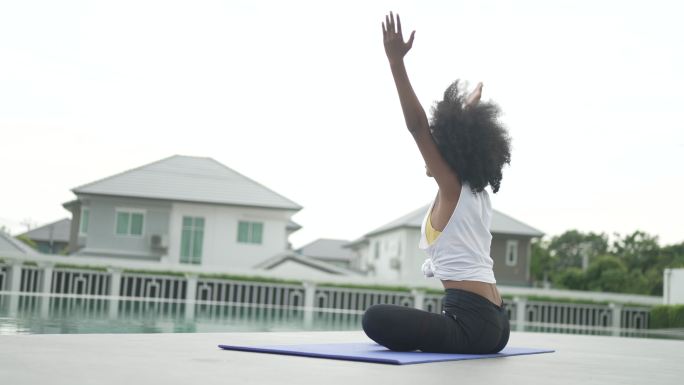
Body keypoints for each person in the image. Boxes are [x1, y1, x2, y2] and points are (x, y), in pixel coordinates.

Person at [362, 12, 512, 354]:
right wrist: (466, 110)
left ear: (450, 153)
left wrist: (396, 63)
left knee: (375, 318)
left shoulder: (453, 187)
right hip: (497, 324)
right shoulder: (474, 191)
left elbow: (418, 128)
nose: (429, 157)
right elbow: (453, 134)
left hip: (473, 326)